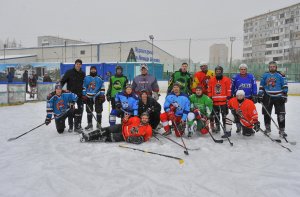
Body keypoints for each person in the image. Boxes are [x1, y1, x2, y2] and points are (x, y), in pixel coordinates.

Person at [258, 61, 288, 137]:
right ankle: (268, 129)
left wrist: (284, 94)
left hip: (279, 97)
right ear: (269, 67)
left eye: (273, 66)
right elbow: (262, 85)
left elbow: (285, 85)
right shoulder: (265, 75)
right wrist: (260, 95)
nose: (272, 68)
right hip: (267, 97)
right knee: (266, 113)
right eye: (270, 66)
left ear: (276, 67)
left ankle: (282, 130)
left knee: (281, 114)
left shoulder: (281, 75)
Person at [80, 112, 152, 144]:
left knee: (107, 137)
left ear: (148, 119)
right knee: (106, 130)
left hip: (123, 136)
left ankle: (90, 139)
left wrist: (139, 139)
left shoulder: (148, 128)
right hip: (121, 127)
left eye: (146, 118)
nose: (144, 119)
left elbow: (146, 138)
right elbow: (125, 123)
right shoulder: (135, 119)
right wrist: (125, 119)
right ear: (141, 118)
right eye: (143, 118)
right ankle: (88, 135)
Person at [231, 63, 258, 133]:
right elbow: (232, 87)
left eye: (244, 69)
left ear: (246, 70)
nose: (243, 70)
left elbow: (254, 85)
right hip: (238, 98)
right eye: (241, 69)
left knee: (248, 114)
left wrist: (254, 94)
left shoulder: (251, 76)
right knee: (237, 113)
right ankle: (238, 126)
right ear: (239, 70)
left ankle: (249, 126)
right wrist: (231, 95)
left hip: (248, 98)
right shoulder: (235, 77)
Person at [60, 59, 85, 133]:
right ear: (75, 64)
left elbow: (85, 84)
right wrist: (59, 90)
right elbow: (62, 81)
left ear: (81, 65)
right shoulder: (69, 72)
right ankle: (71, 126)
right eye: (77, 64)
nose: (78, 65)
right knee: (70, 110)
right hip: (70, 96)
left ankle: (78, 125)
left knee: (81, 110)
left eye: (79, 64)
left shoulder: (82, 73)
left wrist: (85, 94)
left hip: (80, 95)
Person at [207, 66, 231, 133]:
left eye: (219, 71)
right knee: (216, 115)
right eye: (217, 71)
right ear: (215, 72)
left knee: (224, 115)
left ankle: (225, 126)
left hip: (223, 101)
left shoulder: (226, 79)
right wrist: (210, 96)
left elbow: (228, 89)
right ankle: (217, 126)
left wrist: (228, 97)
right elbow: (209, 89)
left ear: (222, 72)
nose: (218, 72)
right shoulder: (211, 80)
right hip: (215, 102)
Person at [82, 66, 105, 130]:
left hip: (97, 96)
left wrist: (102, 95)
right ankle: (90, 124)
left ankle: (99, 124)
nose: (93, 71)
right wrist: (84, 95)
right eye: (92, 70)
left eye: (94, 70)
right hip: (88, 96)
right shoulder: (86, 78)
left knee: (99, 110)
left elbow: (102, 87)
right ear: (90, 70)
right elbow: (84, 87)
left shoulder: (99, 78)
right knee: (89, 111)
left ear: (96, 70)